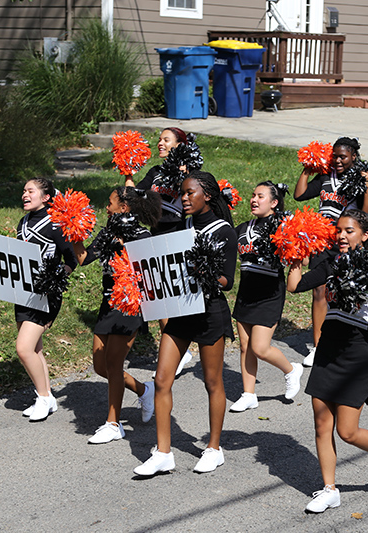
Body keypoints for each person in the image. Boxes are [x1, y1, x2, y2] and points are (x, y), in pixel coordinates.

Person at [287, 209, 368, 513]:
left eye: (349, 231)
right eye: (339, 230)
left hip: (355, 352)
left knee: (347, 431)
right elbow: (295, 286)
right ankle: (329, 489)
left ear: (364, 235)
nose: (341, 235)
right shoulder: (330, 263)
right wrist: (294, 251)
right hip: (328, 349)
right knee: (322, 423)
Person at [134, 171, 238, 476]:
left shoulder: (224, 232)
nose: (184, 198)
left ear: (207, 194)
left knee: (212, 382)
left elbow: (227, 281)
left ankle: (213, 448)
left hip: (210, 312)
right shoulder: (183, 225)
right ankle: (163, 452)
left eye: (190, 193)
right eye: (182, 193)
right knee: (162, 380)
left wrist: (204, 270)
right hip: (180, 309)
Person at [72, 187, 162, 444]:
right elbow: (84, 258)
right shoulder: (108, 231)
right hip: (108, 302)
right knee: (100, 366)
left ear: (124, 207)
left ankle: (113, 424)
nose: (106, 207)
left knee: (113, 365)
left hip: (130, 306)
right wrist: (73, 229)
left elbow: (151, 275)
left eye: (110, 203)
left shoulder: (143, 236)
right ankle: (144, 390)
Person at [294, 137, 368, 367]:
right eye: (335, 156)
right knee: (319, 291)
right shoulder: (325, 176)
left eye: (343, 157)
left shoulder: (358, 179)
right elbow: (299, 195)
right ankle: (318, 346)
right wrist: (307, 169)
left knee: (351, 290)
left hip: (346, 242)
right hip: (322, 241)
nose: (338, 160)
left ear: (353, 157)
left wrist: (367, 184)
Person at [230, 181, 303, 413]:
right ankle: (249, 394)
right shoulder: (242, 228)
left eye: (260, 196)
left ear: (273, 203)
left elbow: (301, 255)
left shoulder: (282, 227)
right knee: (245, 347)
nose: (254, 199)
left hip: (269, 292)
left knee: (260, 348)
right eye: (253, 195)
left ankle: (291, 369)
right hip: (246, 292)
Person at [130, 127, 195, 375]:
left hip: (177, 238)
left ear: (179, 145)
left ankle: (177, 350)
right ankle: (179, 350)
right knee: (158, 298)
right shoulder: (155, 172)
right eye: (159, 139)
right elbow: (135, 196)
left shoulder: (188, 173)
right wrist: (128, 174)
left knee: (170, 300)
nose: (160, 143)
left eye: (166, 140)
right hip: (155, 237)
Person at [16, 178, 77, 421]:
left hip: (46, 294)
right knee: (35, 348)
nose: (25, 194)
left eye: (30, 191)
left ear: (46, 197)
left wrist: (54, 280)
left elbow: (72, 260)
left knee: (23, 348)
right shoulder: (23, 222)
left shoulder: (56, 224)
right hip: (23, 292)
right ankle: (48, 397)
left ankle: (42, 396)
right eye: (23, 191)